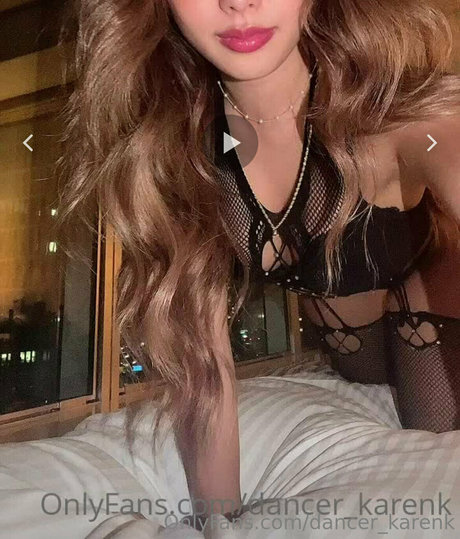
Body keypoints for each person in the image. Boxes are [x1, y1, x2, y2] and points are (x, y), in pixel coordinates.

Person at [59, 0, 460, 526]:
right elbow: (204, 367)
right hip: (351, 346)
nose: (238, 3)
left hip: (439, 316)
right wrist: (220, 525)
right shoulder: (184, 154)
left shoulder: (401, 114)